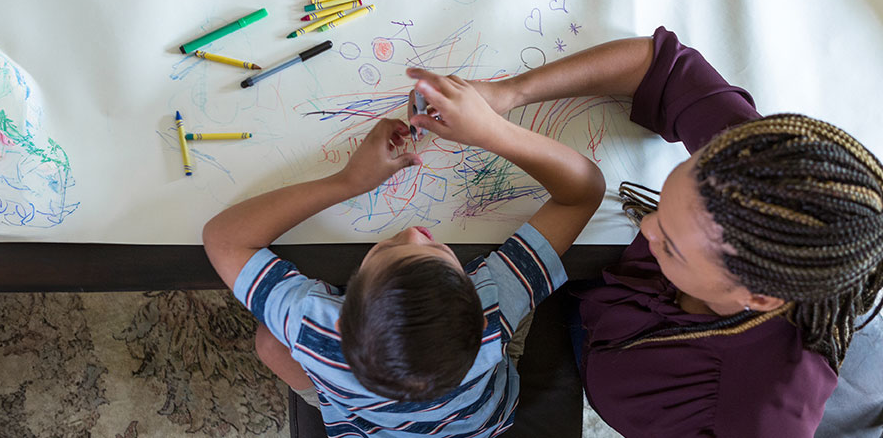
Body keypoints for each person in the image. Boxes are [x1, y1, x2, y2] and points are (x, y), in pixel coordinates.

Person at [464, 27, 883, 436]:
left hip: (597, 355)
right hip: (603, 315)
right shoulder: (745, 177)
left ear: (758, 297)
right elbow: (659, 65)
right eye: (665, 202)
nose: (644, 225)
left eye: (673, 244)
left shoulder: (758, 416)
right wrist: (509, 93)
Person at [201, 69, 606, 436]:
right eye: (435, 250)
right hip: (479, 422)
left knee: (270, 344)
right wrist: (489, 131)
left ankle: (333, 399)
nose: (413, 232)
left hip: (361, 421)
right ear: (474, 290)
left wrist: (347, 182)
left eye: (391, 250)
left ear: (338, 304)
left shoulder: (315, 328)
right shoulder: (493, 310)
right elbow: (583, 192)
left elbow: (224, 239)